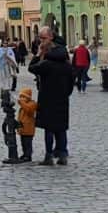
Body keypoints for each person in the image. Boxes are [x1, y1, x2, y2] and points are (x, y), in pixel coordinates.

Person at [28, 26, 75, 165]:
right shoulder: (65, 63)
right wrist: (66, 93)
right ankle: (62, 154)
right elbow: (72, 79)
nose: (40, 41)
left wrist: (38, 54)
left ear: (50, 38)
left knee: (49, 128)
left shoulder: (46, 64)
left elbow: (31, 68)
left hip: (47, 98)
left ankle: (49, 155)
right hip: (62, 98)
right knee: (61, 128)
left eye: (42, 38)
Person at [16, 87, 37, 163]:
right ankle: (25, 154)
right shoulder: (23, 106)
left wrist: (21, 103)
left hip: (28, 129)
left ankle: (28, 155)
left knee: (28, 143)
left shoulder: (32, 104)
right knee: (23, 143)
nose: (21, 98)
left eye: (23, 97)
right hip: (23, 129)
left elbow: (28, 110)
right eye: (21, 97)